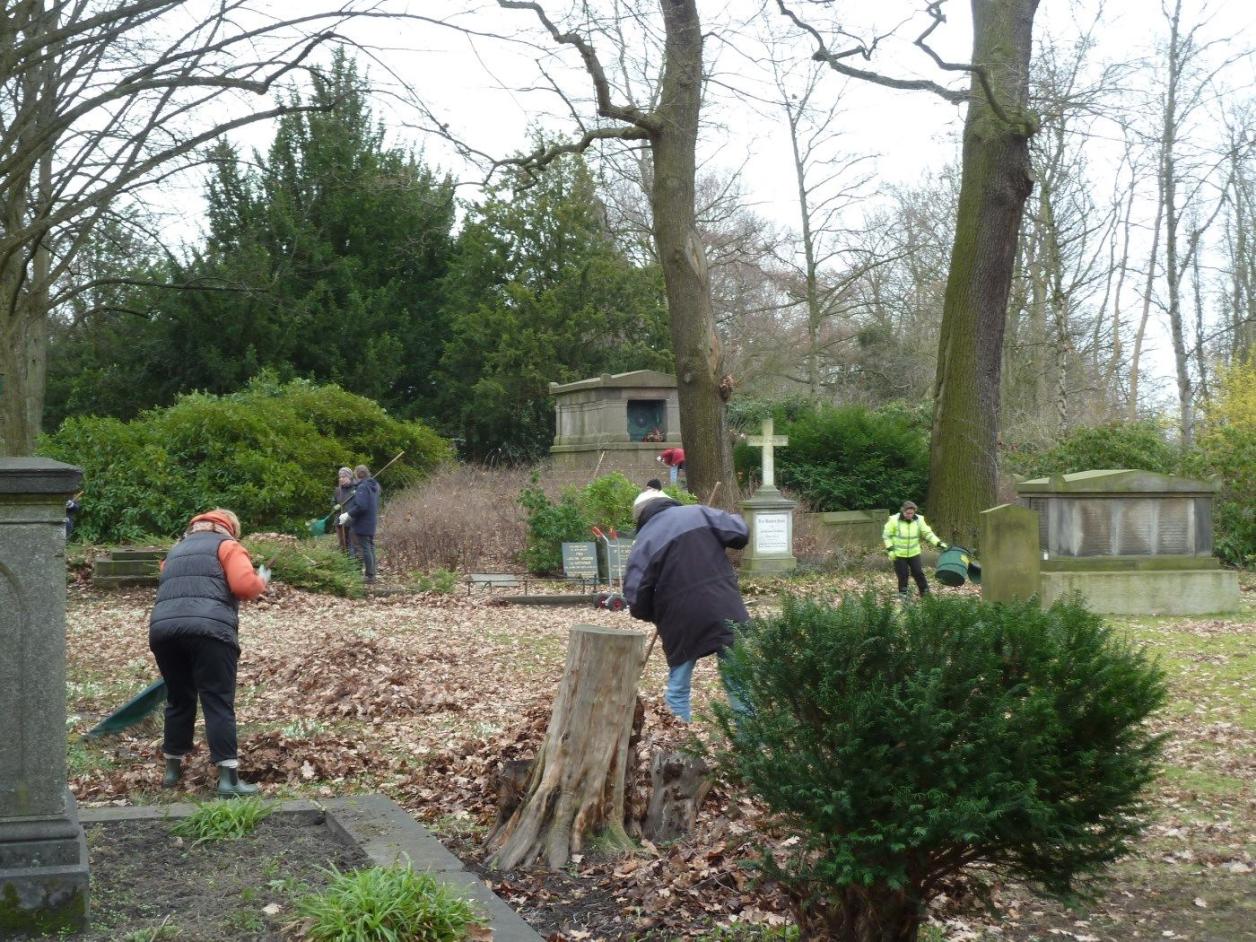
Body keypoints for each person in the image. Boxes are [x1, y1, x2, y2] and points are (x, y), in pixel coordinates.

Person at [149, 508, 270, 797]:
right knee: (217, 700)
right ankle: (228, 780)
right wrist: (261, 580)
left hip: (164, 631)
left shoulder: (176, 551)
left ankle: (171, 772)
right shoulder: (228, 546)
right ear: (229, 527)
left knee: (179, 700)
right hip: (210, 631)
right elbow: (243, 585)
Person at [622, 487, 749, 723]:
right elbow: (740, 532)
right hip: (726, 608)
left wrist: (655, 614)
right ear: (669, 502)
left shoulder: (645, 540)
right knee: (739, 684)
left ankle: (678, 745)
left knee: (679, 688)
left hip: (681, 621)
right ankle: (752, 748)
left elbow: (635, 597)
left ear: (641, 515)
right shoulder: (700, 513)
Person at [883, 500, 947, 599]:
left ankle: (926, 596)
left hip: (914, 553)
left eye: (912, 513)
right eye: (907, 513)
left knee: (918, 573)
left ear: (914, 512)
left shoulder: (919, 520)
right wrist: (890, 550)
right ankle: (903, 597)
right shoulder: (893, 520)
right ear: (902, 511)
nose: (909, 515)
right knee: (903, 576)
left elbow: (928, 533)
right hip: (899, 554)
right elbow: (887, 536)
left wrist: (939, 543)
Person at [338, 464, 380, 584]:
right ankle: (372, 574)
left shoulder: (362, 487)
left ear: (357, 474)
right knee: (370, 547)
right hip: (370, 522)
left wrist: (348, 514)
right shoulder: (372, 486)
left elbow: (361, 506)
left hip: (363, 522)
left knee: (365, 548)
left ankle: (369, 576)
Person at [332, 467, 357, 555]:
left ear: (349, 477)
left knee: (353, 546)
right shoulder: (338, 490)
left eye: (343, 477)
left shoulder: (356, 489)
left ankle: (354, 565)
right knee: (343, 546)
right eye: (340, 477)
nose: (341, 479)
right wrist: (335, 506)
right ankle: (344, 564)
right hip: (340, 522)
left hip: (353, 521)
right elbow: (333, 502)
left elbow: (360, 505)